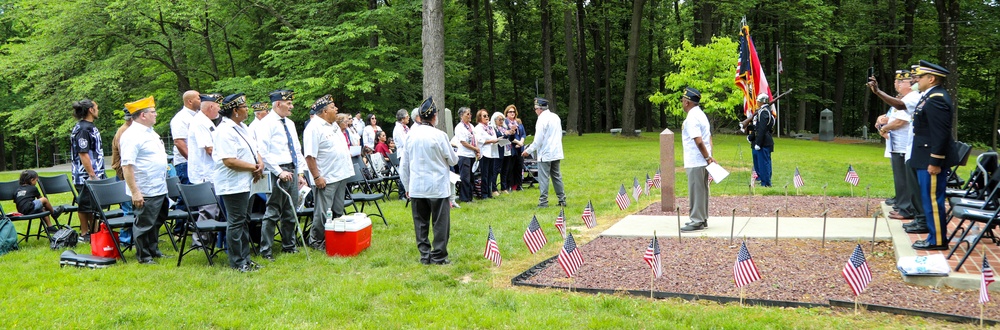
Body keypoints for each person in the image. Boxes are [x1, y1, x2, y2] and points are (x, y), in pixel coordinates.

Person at [399, 97, 458, 265]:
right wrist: (455, 151)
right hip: (437, 186)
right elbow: (453, 160)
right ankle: (439, 256)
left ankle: (425, 255)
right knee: (440, 223)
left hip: (417, 186)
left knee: (421, 223)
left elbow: (404, 165)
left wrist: (407, 185)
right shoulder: (439, 135)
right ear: (434, 116)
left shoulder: (411, 136)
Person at [908, 60, 956, 251]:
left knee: (933, 199)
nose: (916, 80)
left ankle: (937, 240)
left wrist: (935, 160)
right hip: (924, 155)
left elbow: (941, 133)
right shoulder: (929, 96)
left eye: (920, 77)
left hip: (931, 158)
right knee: (928, 198)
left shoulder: (937, 98)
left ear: (931, 78)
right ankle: (933, 235)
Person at [214, 93, 264, 272]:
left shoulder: (243, 127)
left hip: (247, 181)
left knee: (245, 221)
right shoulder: (224, 131)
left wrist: (259, 163)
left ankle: (246, 258)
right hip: (233, 184)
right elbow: (229, 161)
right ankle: (237, 262)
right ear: (235, 111)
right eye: (244, 107)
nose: (248, 109)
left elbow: (255, 149)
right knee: (236, 222)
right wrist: (254, 167)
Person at [256, 89, 307, 260]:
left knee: (290, 210)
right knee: (272, 211)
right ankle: (266, 250)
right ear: (278, 104)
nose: (292, 106)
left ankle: (289, 245)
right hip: (275, 171)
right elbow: (263, 152)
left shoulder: (290, 123)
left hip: (291, 168)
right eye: (289, 103)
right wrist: (279, 171)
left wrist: (300, 172)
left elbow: (297, 149)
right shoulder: (267, 123)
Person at [120, 96, 170, 264]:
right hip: (145, 188)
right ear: (143, 115)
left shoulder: (150, 132)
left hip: (159, 186)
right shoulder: (132, 135)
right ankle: (144, 256)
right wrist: (135, 192)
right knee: (144, 223)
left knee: (157, 220)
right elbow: (127, 166)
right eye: (153, 112)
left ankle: (153, 250)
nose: (156, 114)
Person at [868, 69, 921, 223]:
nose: (897, 84)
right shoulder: (907, 97)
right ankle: (902, 205)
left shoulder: (912, 97)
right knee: (900, 177)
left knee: (903, 177)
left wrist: (884, 128)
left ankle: (906, 207)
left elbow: (900, 121)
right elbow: (892, 115)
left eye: (900, 81)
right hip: (898, 143)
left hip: (904, 144)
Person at [303, 95, 352, 250]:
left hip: (340, 174)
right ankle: (316, 240)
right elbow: (310, 156)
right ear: (324, 111)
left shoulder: (333, 125)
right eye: (333, 107)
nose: (336, 109)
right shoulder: (313, 128)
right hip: (327, 177)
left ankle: (334, 238)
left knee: (337, 210)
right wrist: (317, 177)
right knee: (323, 212)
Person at [70, 99, 106, 242]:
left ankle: (95, 231)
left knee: (93, 205)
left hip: (95, 173)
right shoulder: (83, 129)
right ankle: (84, 234)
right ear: (91, 110)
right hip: (85, 175)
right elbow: (83, 153)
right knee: (85, 204)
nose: (98, 109)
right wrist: (92, 174)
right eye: (96, 107)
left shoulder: (89, 127)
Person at [678, 87, 713, 232]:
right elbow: (709, 137)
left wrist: (707, 156)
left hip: (696, 160)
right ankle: (702, 218)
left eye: (683, 100)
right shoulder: (701, 114)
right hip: (703, 159)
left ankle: (697, 220)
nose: (682, 102)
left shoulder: (692, 117)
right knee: (702, 190)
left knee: (696, 190)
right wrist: (709, 156)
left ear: (687, 102)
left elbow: (698, 141)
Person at [522, 98, 566, 207]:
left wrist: (528, 151)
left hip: (545, 153)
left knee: (543, 178)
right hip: (556, 152)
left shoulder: (541, 119)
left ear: (540, 109)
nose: (535, 111)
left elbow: (538, 140)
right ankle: (562, 199)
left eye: (535, 109)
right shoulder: (555, 117)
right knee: (556, 176)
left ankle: (543, 201)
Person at [170, 90, 201, 186]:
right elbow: (179, 142)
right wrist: (192, 161)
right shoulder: (180, 118)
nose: (201, 100)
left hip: (198, 163)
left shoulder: (199, 116)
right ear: (190, 101)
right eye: (199, 98)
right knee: (191, 195)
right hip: (186, 164)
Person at [453, 107, 479, 203]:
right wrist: (475, 148)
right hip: (464, 155)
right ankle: (464, 198)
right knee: (465, 178)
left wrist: (477, 151)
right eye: (467, 114)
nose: (470, 116)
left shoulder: (471, 126)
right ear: (461, 115)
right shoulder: (459, 127)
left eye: (470, 114)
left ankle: (470, 197)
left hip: (472, 155)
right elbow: (463, 142)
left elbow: (474, 139)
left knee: (472, 177)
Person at [474, 109, 500, 199]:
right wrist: (491, 141)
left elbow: (494, 137)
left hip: (492, 152)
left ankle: (489, 192)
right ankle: (484, 194)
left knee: (491, 174)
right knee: (484, 174)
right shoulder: (478, 128)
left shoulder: (490, 127)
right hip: (484, 153)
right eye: (484, 116)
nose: (487, 117)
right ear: (479, 117)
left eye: (487, 115)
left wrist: (497, 140)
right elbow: (479, 140)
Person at [751, 93, 774, 187]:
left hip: (764, 142)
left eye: (758, 101)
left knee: (764, 164)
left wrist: (758, 143)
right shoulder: (765, 110)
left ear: (761, 102)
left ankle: (766, 183)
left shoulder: (764, 112)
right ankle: (765, 181)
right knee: (764, 162)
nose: (757, 102)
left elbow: (762, 129)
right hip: (765, 140)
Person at [503, 105, 526, 191]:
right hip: (511, 147)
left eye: (513, 112)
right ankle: (509, 185)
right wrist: (517, 142)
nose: (512, 113)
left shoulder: (518, 122)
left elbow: (523, 133)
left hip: (520, 147)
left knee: (519, 166)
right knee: (510, 167)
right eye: (510, 112)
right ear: (507, 113)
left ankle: (519, 185)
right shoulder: (505, 122)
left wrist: (521, 143)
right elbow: (508, 136)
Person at [489, 112, 510, 194]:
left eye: (503, 119)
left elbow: (510, 139)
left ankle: (503, 187)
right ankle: (493, 189)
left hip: (506, 151)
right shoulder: (493, 128)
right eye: (499, 119)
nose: (501, 121)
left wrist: (511, 133)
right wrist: (505, 135)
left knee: (505, 170)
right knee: (495, 170)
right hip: (497, 152)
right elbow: (495, 139)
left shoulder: (504, 128)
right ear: (495, 120)